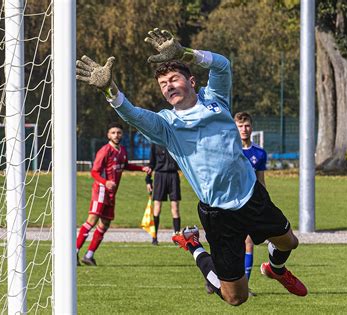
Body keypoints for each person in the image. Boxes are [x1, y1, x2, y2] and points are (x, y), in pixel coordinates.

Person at [76, 28, 307, 305]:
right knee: (236, 297)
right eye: (163, 84)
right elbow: (134, 115)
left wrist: (185, 53)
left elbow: (223, 65)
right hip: (219, 215)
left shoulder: (216, 100)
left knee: (288, 242)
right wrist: (109, 91)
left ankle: (275, 269)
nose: (169, 86)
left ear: (192, 81)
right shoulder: (166, 125)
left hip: (250, 195)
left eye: (174, 79)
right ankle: (194, 246)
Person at [76, 122, 151, 266]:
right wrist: (106, 182)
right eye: (113, 133)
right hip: (101, 190)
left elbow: (125, 165)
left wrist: (142, 168)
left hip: (111, 194)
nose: (116, 135)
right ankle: (74, 252)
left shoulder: (122, 150)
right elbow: (94, 172)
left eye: (119, 132)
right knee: (92, 220)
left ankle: (89, 255)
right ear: (108, 135)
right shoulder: (104, 151)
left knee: (105, 223)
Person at [234, 111, 268, 296]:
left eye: (246, 125)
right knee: (229, 243)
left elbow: (261, 181)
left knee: (248, 242)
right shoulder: (231, 150)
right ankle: (217, 279)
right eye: (240, 126)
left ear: (251, 127)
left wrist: (265, 203)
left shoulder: (259, 153)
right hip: (230, 203)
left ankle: (244, 286)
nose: (244, 129)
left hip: (250, 203)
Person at [145, 143, 181, 245]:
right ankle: (154, 237)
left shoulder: (174, 142)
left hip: (173, 176)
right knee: (157, 208)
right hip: (159, 176)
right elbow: (151, 163)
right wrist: (148, 180)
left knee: (175, 208)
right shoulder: (155, 143)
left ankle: (177, 237)